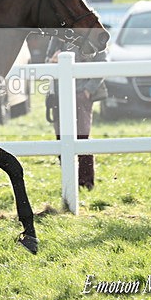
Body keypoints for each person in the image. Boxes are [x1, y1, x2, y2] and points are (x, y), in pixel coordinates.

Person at [45, 37, 107, 190]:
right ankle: (69, 181)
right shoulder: (58, 36)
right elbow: (47, 60)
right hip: (59, 94)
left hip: (81, 94)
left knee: (82, 136)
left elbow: (102, 64)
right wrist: (51, 61)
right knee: (61, 138)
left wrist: (88, 90)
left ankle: (86, 182)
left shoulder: (93, 34)